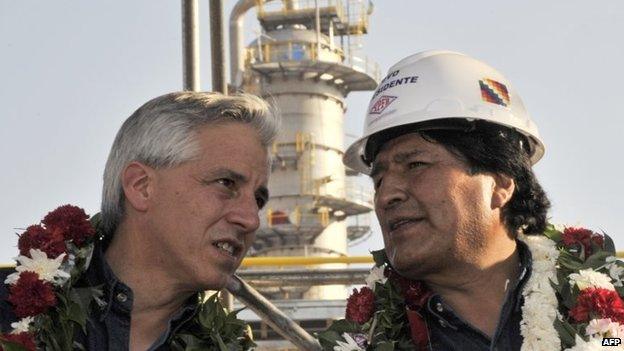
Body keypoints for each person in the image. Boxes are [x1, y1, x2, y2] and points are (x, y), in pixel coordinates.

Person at [320, 50, 622, 350]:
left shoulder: (609, 314)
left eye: (415, 165)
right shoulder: (367, 339)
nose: (387, 195)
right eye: (378, 179)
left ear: (501, 182)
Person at [0, 91, 279, 350]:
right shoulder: (8, 309)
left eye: (258, 199)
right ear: (141, 186)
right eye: (226, 183)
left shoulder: (226, 344)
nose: (251, 219)